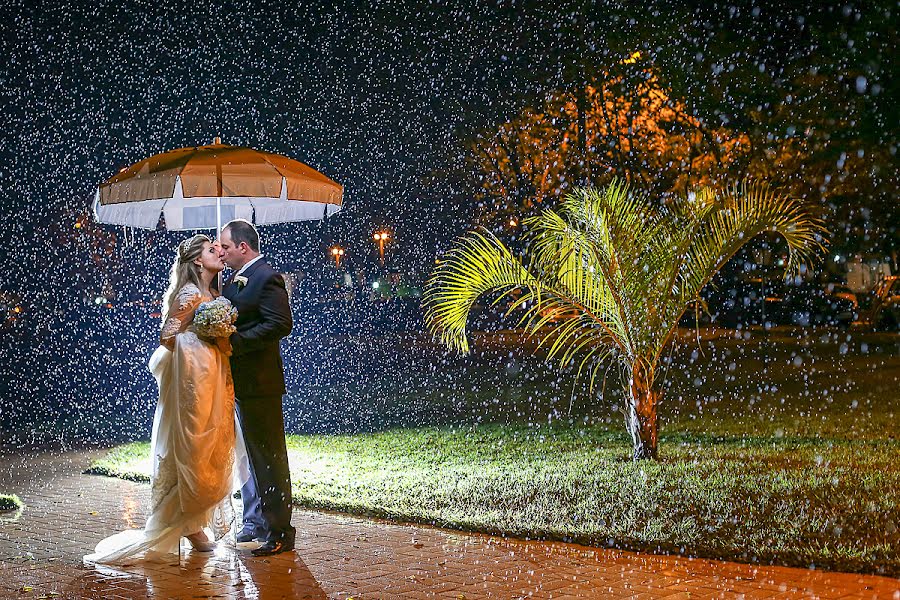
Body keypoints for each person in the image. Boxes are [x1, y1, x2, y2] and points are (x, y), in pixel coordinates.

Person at [84, 234, 249, 564]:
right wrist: (204, 334)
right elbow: (169, 335)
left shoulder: (214, 293)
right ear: (199, 261)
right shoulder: (189, 294)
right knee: (191, 448)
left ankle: (195, 520)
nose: (220, 252)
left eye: (220, 247)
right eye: (213, 249)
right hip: (195, 382)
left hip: (215, 379)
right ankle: (186, 522)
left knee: (216, 443)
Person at [220, 219, 295, 556]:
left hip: (262, 385)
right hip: (242, 384)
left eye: (225, 246)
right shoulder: (232, 282)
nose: (221, 251)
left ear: (243, 247)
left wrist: (238, 343)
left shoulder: (267, 277)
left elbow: (280, 324)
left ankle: (280, 530)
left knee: (270, 458)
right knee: (253, 458)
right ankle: (260, 521)